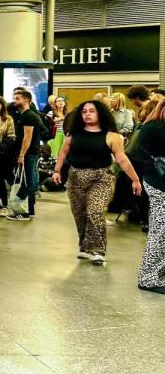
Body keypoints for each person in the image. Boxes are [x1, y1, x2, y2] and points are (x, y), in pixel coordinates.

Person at [53, 101, 141, 266]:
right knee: (79, 214)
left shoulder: (112, 136)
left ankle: (98, 250)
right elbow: (64, 152)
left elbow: (122, 159)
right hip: (75, 177)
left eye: (92, 111)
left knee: (95, 211)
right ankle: (85, 246)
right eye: (84, 111)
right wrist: (57, 171)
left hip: (101, 178)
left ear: (100, 114)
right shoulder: (73, 134)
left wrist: (135, 179)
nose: (87, 114)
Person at [132, 100, 165, 293]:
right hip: (158, 184)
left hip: (157, 181)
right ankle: (148, 278)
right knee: (159, 233)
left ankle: (156, 275)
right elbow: (139, 155)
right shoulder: (152, 128)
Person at [7, 90, 43, 221]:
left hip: (29, 154)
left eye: (17, 99)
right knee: (29, 180)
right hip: (30, 153)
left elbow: (27, 138)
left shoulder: (29, 116)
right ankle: (29, 210)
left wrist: (21, 155)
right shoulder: (25, 115)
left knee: (30, 182)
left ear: (26, 101)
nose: (14, 101)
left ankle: (21, 208)